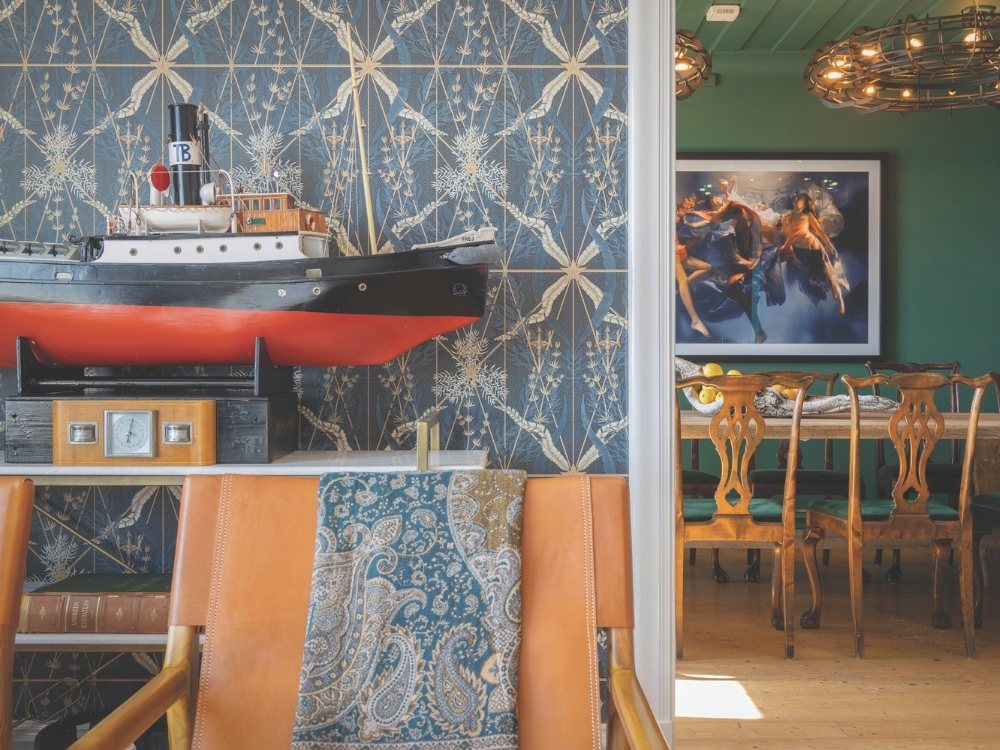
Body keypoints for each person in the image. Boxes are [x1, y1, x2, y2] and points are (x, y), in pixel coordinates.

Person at [778, 192, 850, 314]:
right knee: (817, 277)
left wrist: (828, 244)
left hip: (814, 248)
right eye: (796, 198)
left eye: (800, 199)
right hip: (802, 252)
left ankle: (841, 302)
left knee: (828, 274)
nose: (797, 200)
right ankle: (840, 282)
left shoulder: (808, 215)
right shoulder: (791, 217)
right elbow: (791, 235)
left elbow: (819, 231)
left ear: (805, 203)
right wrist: (785, 246)